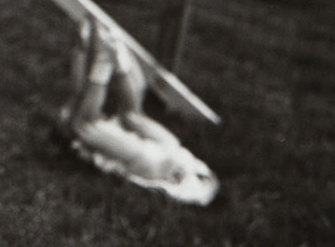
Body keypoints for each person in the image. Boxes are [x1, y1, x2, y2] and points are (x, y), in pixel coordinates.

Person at [56, 19, 218, 206]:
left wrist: (81, 48)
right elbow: (77, 91)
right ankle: (113, 55)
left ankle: (112, 55)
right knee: (127, 116)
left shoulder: (69, 121)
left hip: (167, 162)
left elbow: (77, 96)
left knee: (92, 124)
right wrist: (81, 46)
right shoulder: (79, 115)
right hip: (175, 165)